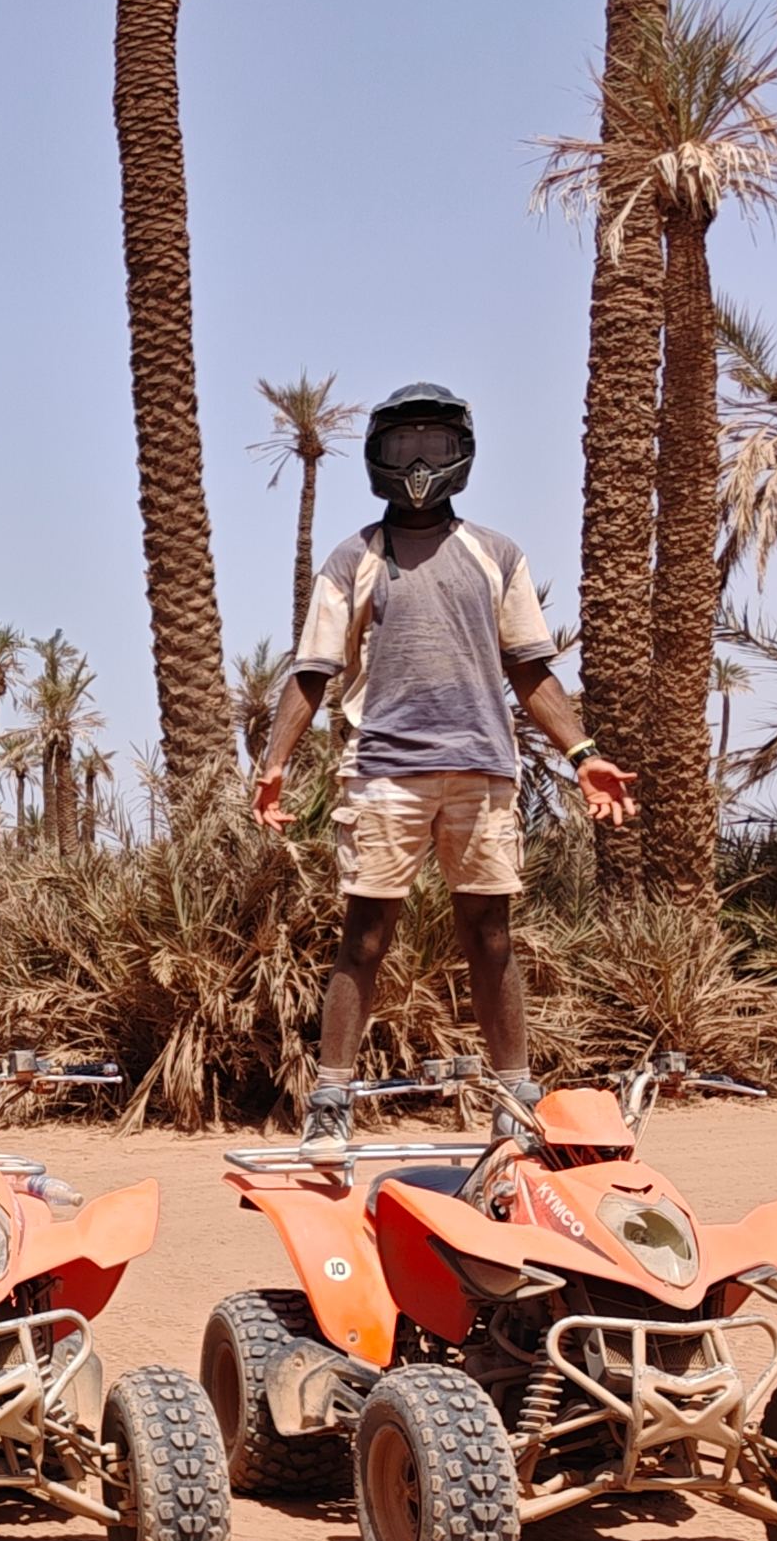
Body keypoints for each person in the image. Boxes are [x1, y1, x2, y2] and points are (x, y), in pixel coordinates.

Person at [254, 381, 633, 1139]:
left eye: (432, 443)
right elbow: (313, 669)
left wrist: (583, 752)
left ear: (460, 452)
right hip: (383, 771)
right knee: (363, 937)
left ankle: (516, 1098)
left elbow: (530, 667)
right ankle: (331, 1102)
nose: (419, 460)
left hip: (483, 769)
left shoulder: (496, 556)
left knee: (490, 936)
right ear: (378, 457)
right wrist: (273, 763)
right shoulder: (353, 558)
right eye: (404, 446)